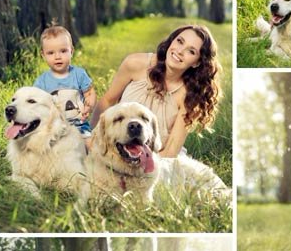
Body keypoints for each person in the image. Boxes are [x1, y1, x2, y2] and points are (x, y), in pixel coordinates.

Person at [90, 24, 227, 192]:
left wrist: (142, 168)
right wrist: (93, 140)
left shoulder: (192, 94)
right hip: (117, 147)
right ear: (171, 41)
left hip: (157, 159)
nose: (179, 51)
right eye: (179, 41)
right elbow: (107, 101)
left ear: (197, 62)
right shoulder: (135, 64)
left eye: (191, 51)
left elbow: (170, 151)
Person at [34, 25, 95, 129]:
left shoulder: (79, 74)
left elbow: (89, 93)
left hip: (79, 125)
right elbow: (36, 102)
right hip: (52, 127)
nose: (57, 57)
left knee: (88, 143)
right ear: (43, 55)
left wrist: (89, 105)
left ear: (71, 51)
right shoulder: (42, 81)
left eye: (63, 51)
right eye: (51, 53)